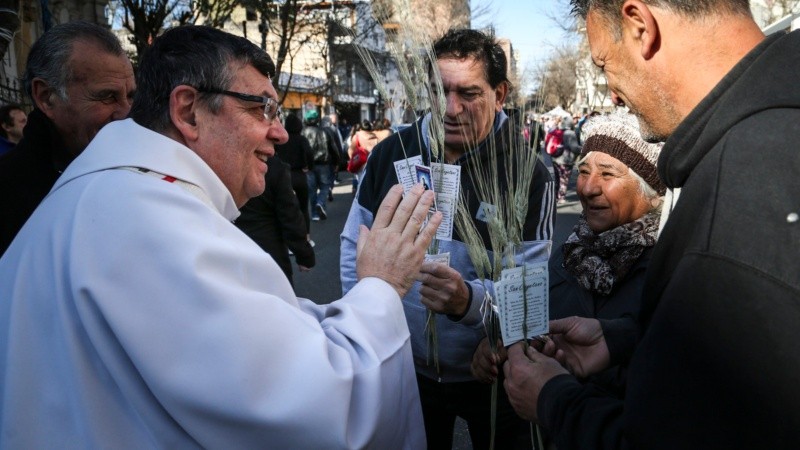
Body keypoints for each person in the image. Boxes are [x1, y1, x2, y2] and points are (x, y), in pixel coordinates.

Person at [0, 25, 442, 448]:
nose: (281, 131)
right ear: (188, 111)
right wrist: (382, 286)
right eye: (261, 108)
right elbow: (317, 407)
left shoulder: (114, 194)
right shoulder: (148, 219)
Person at [503, 1, 800, 448]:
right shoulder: (767, 138)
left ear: (641, 26)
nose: (613, 95)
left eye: (606, 65)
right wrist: (623, 338)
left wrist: (553, 399)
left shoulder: (745, 183)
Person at [341, 28, 555, 449]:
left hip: (489, 374)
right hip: (405, 368)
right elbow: (353, 251)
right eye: (440, 91)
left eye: (469, 94)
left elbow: (529, 297)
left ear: (500, 94)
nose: (450, 108)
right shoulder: (391, 153)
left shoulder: (529, 172)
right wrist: (365, 335)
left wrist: (471, 306)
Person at [472, 110, 664, 412]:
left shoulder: (669, 273)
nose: (587, 188)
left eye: (608, 173)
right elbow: (529, 323)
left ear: (652, 193)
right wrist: (500, 345)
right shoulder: (570, 253)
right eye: (584, 171)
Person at [0, 21, 135, 256]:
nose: (126, 114)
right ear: (46, 97)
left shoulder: (139, 173)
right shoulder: (9, 198)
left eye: (131, 96)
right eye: (107, 96)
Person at [235, 156, 315, 286]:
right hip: (269, 251)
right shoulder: (274, 167)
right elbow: (290, 216)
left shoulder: (217, 162)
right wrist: (304, 255)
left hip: (232, 251)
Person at [275, 113, 314, 237]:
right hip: (300, 175)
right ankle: (306, 236)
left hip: (284, 177)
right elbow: (309, 153)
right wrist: (308, 166)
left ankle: (289, 239)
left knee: (285, 209)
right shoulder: (302, 139)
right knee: (303, 208)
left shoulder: (281, 141)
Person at [302, 109, 338, 220]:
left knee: (312, 189)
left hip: (308, 165)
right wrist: (337, 162)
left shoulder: (302, 133)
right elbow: (333, 148)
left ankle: (314, 214)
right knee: (325, 186)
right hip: (324, 164)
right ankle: (320, 202)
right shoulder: (324, 131)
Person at [551, 116, 581, 204]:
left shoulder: (559, 131)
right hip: (566, 160)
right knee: (564, 179)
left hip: (556, 158)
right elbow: (574, 147)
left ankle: (556, 196)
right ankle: (561, 197)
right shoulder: (570, 133)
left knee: (557, 178)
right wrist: (583, 148)